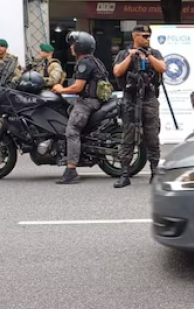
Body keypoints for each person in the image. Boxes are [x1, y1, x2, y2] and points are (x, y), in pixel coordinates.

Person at [112, 25, 166, 188]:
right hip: (131, 98)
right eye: (144, 36)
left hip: (149, 98)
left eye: (149, 36)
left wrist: (148, 56)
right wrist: (131, 56)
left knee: (152, 136)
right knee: (128, 136)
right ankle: (125, 174)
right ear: (135, 37)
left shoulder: (154, 53)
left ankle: (155, 172)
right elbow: (117, 72)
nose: (147, 39)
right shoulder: (124, 53)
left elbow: (162, 68)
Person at [52, 31, 108, 185]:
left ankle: (71, 171)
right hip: (95, 101)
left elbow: (78, 87)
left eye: (73, 44)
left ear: (80, 46)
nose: (71, 47)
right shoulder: (95, 61)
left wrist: (61, 89)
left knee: (72, 130)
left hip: (88, 102)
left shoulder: (85, 63)